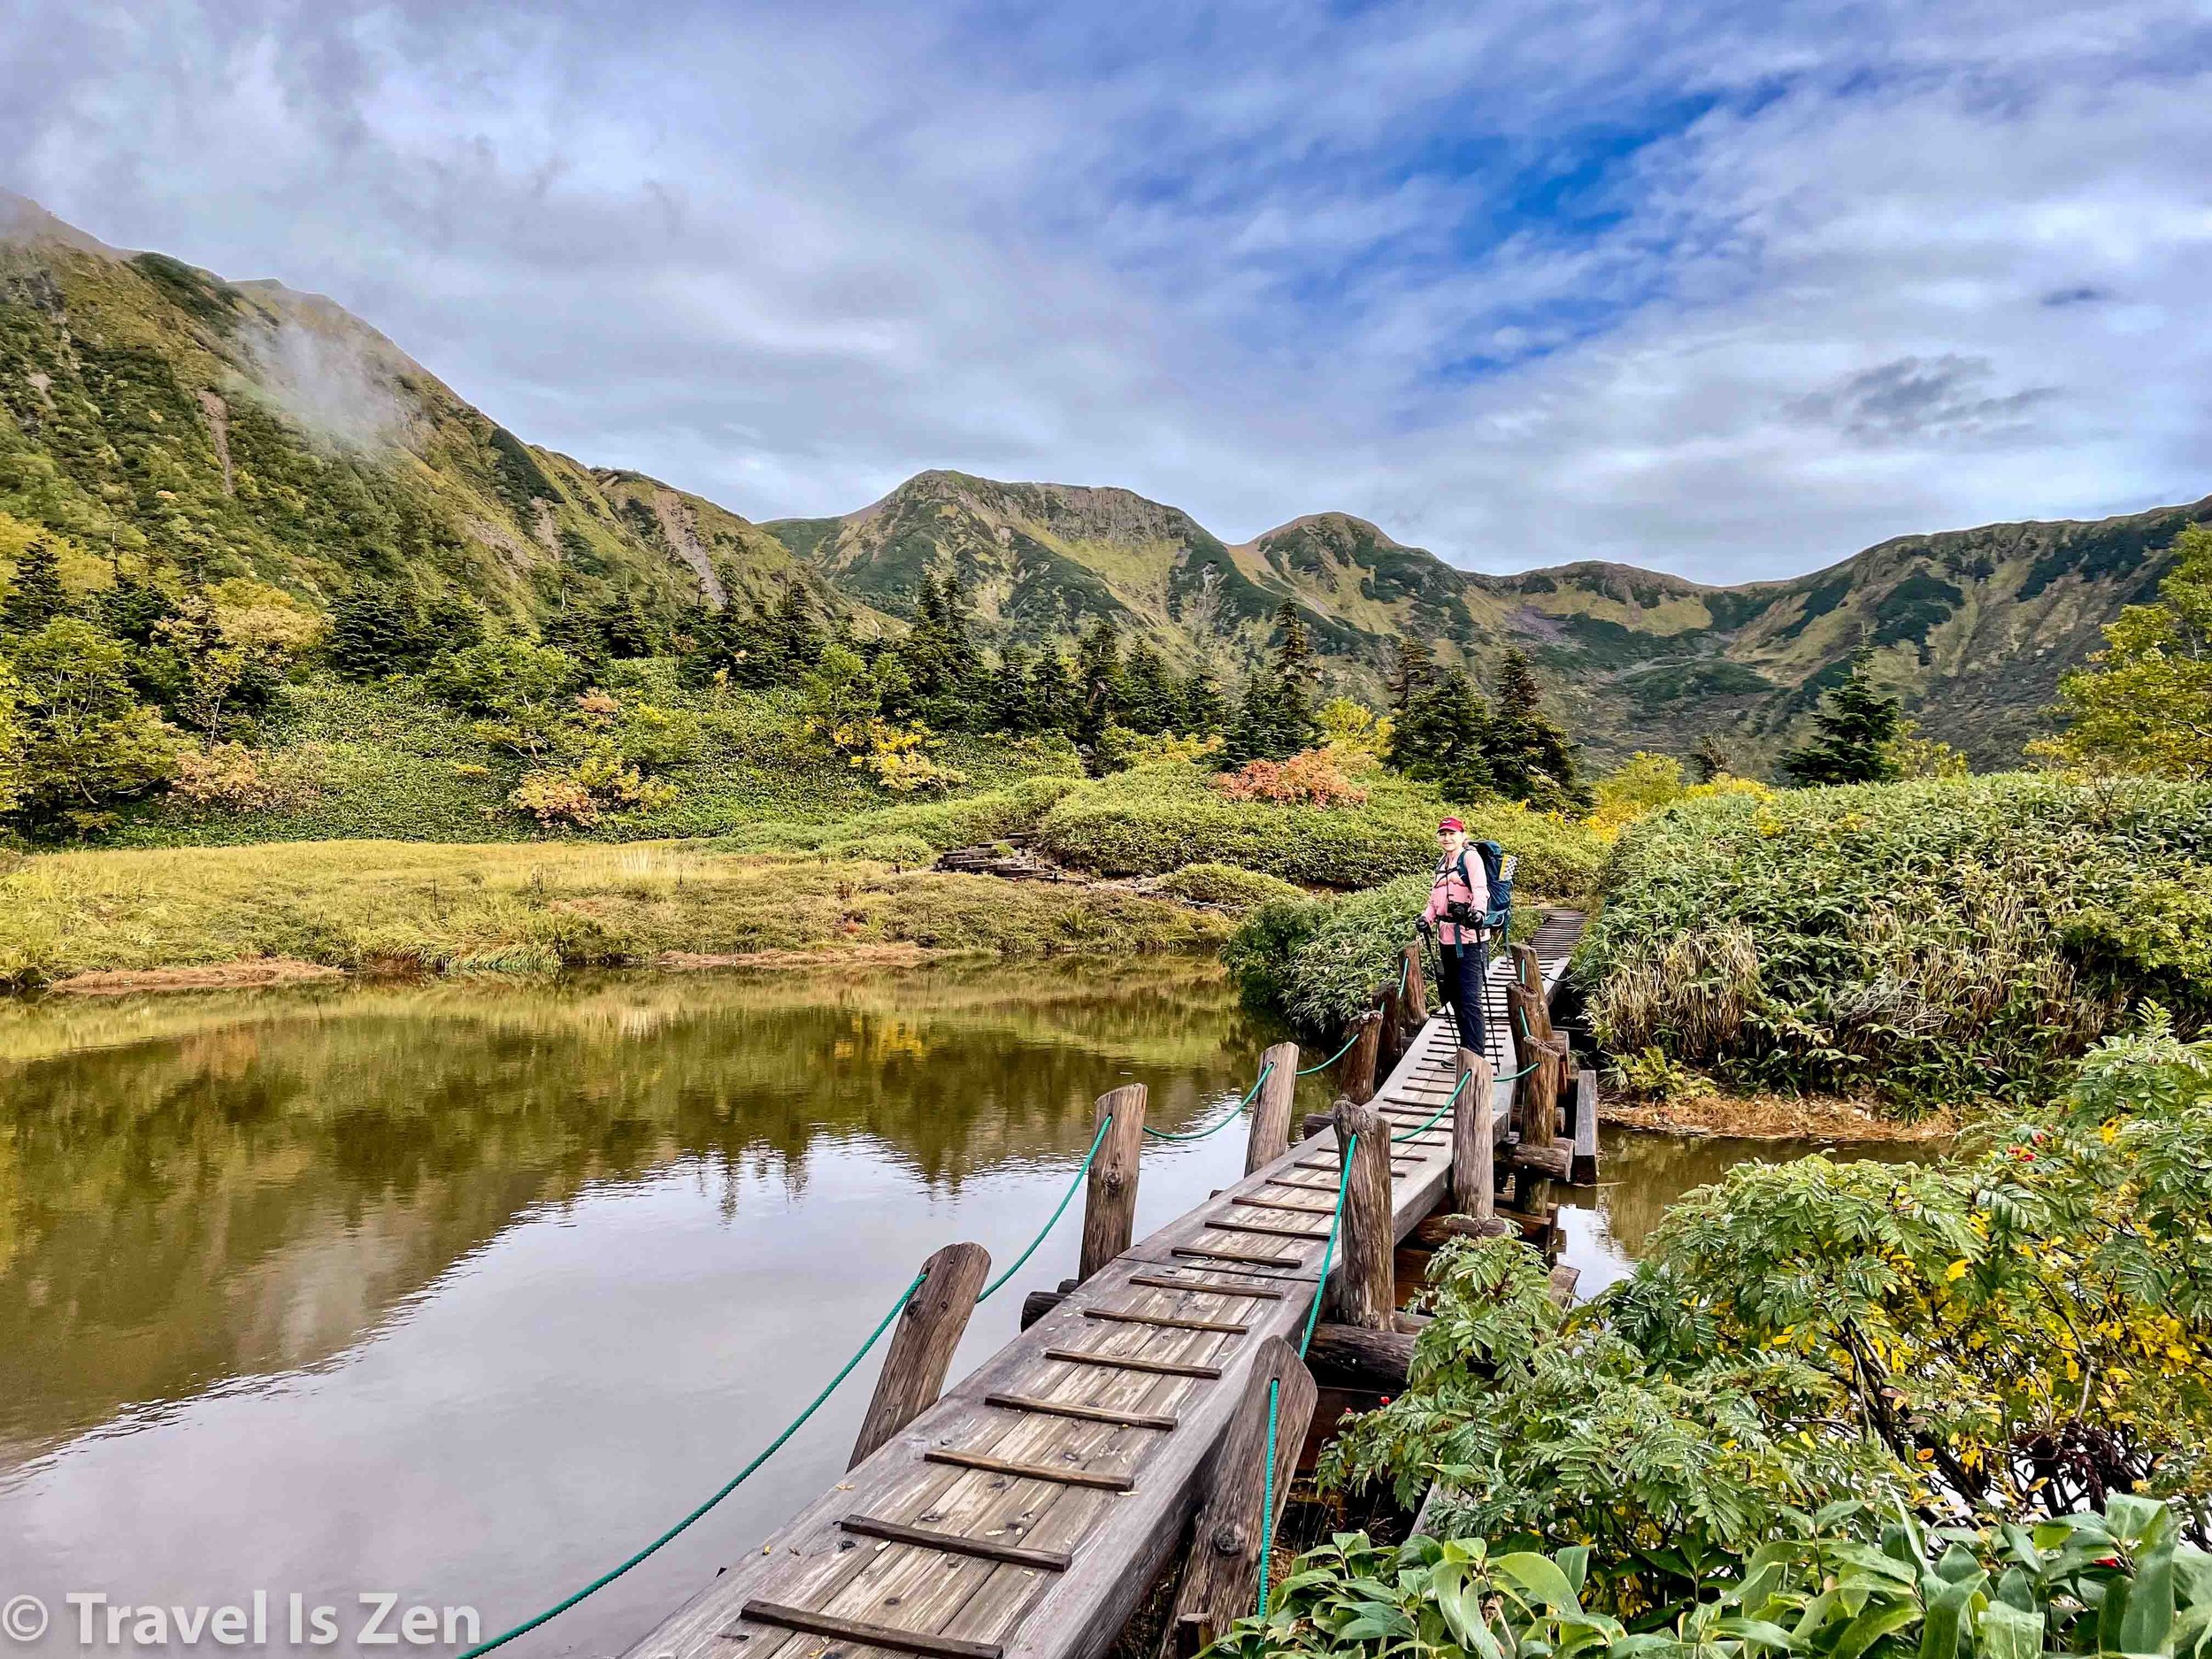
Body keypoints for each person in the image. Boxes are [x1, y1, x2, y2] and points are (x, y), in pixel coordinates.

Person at [1420, 816, 1489, 1056]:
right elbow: (1434, 899)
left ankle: (1476, 1055)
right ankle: (1465, 1050)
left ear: (1462, 835)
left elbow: (1481, 889)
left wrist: (1478, 912)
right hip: (1446, 939)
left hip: (1470, 940)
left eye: (1452, 833)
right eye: (1443, 834)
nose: (1447, 838)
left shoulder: (1470, 858)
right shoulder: (1441, 863)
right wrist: (1426, 918)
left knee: (1470, 999)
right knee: (1456, 998)